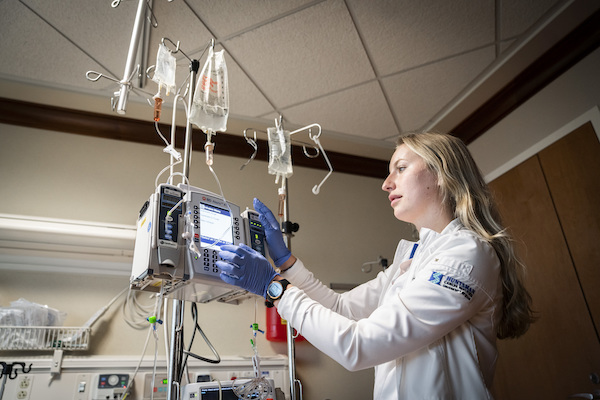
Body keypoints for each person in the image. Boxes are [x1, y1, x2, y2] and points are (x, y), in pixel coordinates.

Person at [217, 131, 536, 399]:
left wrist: (274, 287)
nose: (386, 183)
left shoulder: (467, 254)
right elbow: (341, 307)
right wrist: (286, 263)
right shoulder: (412, 258)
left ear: (441, 173)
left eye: (400, 168)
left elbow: (360, 346)